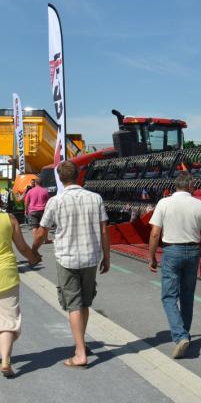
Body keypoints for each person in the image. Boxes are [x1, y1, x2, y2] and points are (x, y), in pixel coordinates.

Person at [32, 160, 110, 368]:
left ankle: (80, 353)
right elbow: (104, 230)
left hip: (67, 258)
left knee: (74, 304)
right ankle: (80, 344)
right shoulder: (95, 198)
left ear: (59, 178)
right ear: (78, 176)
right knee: (84, 302)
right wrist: (107, 257)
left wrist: (33, 251)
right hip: (91, 257)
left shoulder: (56, 201)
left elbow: (42, 231)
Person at [148, 172, 201, 359]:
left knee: (169, 296)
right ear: (191, 187)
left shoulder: (164, 203)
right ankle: (184, 334)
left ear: (176, 185)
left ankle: (180, 336)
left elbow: (154, 233)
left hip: (172, 251)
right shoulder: (199, 205)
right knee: (187, 295)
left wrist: (151, 256)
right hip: (193, 252)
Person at [0, 211, 40, 377]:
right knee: (9, 318)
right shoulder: (9, 219)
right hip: (6, 273)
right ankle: (6, 361)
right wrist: (33, 258)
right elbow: (22, 247)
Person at [23, 176, 50, 240]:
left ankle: (36, 240)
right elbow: (48, 202)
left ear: (35, 183)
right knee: (44, 226)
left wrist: (26, 210)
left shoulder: (30, 191)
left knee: (34, 227)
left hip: (32, 211)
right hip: (42, 210)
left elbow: (26, 202)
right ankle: (46, 240)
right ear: (42, 183)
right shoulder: (45, 191)